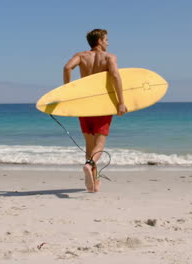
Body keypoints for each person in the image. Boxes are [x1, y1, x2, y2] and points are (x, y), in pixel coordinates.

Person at [63, 29, 128, 192]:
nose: (108, 42)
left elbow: (67, 68)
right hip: (102, 104)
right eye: (106, 39)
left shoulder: (81, 56)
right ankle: (89, 165)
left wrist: (68, 90)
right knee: (99, 144)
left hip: (84, 104)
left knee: (89, 145)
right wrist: (121, 102)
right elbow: (115, 76)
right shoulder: (109, 57)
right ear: (99, 40)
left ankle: (93, 182)